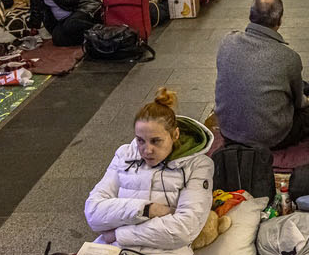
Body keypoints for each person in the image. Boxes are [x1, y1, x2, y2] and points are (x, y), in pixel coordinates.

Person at [84, 87, 214, 255]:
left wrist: (118, 233)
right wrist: (147, 209)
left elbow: (184, 229)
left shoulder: (198, 165)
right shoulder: (124, 155)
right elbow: (93, 212)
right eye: (140, 140)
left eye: (156, 141)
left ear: (175, 135)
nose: (147, 150)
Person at [214, 0, 309, 149]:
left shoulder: (227, 41)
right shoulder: (289, 57)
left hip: (228, 132)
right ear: (279, 21)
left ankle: (296, 86)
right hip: (271, 139)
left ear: (251, 15)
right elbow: (299, 104)